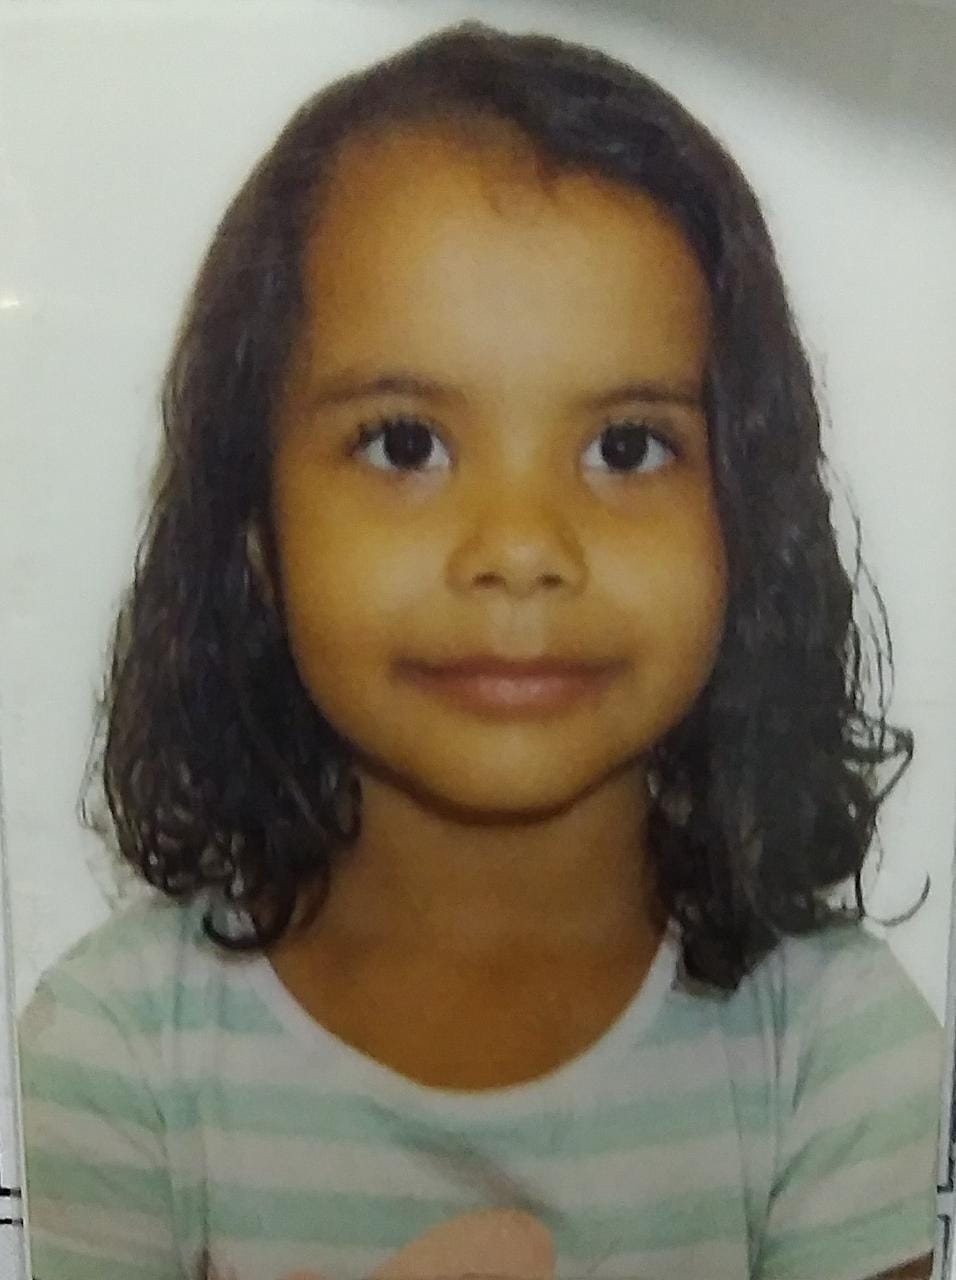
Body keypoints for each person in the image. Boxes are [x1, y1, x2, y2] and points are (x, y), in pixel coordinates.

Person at [17, 20, 941, 1280]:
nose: (518, 546)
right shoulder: (118, 1055)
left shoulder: (831, 1054)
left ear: (745, 518)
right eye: (404, 443)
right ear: (253, 529)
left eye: (625, 446)